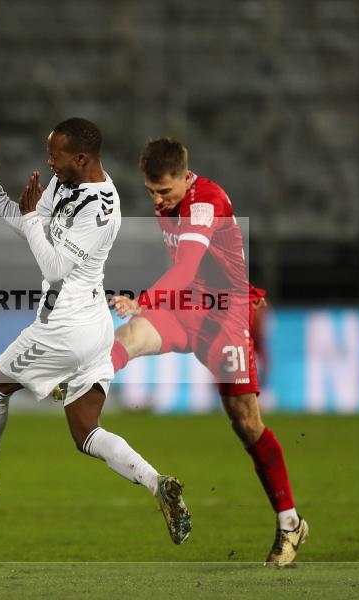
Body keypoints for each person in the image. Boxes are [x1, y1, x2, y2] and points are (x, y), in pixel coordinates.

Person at [0, 119, 191, 545]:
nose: (49, 162)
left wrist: (35, 219)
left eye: (56, 156)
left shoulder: (102, 208)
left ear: (82, 158)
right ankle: (156, 481)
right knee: (86, 430)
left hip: (63, 328)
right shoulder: (64, 184)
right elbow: (30, 226)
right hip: (94, 327)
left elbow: (53, 265)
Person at [108, 138, 307, 565]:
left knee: (246, 422)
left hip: (225, 315)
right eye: (151, 192)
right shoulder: (169, 201)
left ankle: (291, 523)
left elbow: (184, 269)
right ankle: (83, 381)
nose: (158, 200)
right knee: (127, 338)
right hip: (188, 307)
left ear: (185, 175)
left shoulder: (206, 201)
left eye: (165, 191)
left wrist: (144, 298)